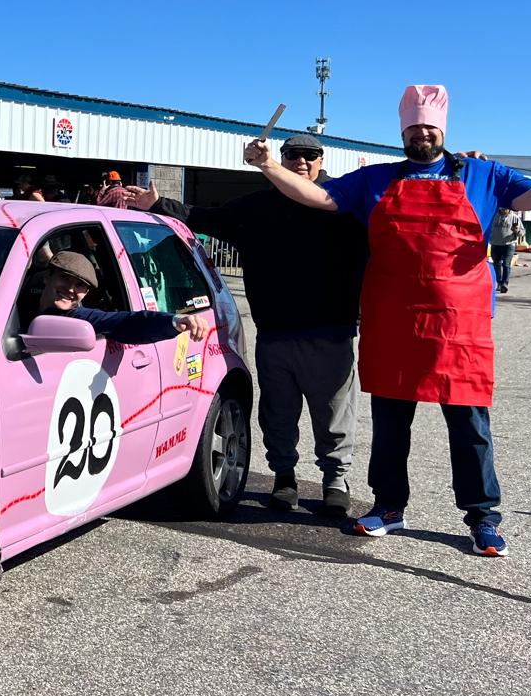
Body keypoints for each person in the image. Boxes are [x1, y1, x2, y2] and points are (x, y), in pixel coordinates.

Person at [245, 83, 531, 556]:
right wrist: (269, 165)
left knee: (470, 427)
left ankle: (482, 517)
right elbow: (317, 198)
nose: (422, 133)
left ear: (443, 130)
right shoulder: (375, 179)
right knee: (392, 424)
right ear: (403, 131)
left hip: (460, 329)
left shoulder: (485, 175)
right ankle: (389, 507)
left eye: (430, 126)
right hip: (394, 324)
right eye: (414, 126)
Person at [121, 133, 367, 514]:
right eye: (293, 155)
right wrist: (159, 205)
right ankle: (284, 478)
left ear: (321, 160)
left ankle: (335, 479)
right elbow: (204, 217)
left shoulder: (344, 203)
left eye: (310, 155)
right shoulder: (258, 207)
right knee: (278, 414)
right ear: (281, 158)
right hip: (275, 332)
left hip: (330, 333)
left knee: (334, 413)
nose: (301, 161)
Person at [29, 250, 209, 344]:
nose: (70, 289)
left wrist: (174, 321)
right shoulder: (13, 303)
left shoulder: (80, 318)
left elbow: (128, 321)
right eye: (64, 279)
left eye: (79, 285)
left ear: (86, 293)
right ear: (47, 278)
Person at [489, 207, 522, 294]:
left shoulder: (515, 218)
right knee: (496, 264)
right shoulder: (493, 216)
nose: (503, 210)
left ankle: (505, 284)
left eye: (505, 209)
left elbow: (522, 232)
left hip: (509, 244)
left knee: (506, 264)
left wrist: (517, 231)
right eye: (502, 208)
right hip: (495, 243)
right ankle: (499, 282)